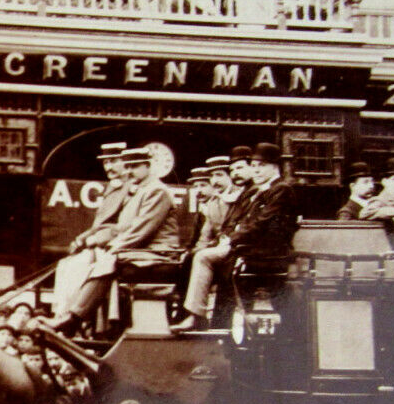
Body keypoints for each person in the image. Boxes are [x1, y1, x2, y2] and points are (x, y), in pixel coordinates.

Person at [48, 146, 182, 336]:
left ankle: (75, 317)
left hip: (159, 252)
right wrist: (98, 240)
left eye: (134, 166)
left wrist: (113, 248)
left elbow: (141, 231)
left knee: (107, 260)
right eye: (126, 166)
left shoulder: (157, 191)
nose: (128, 171)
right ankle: (79, 319)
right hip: (141, 250)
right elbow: (121, 228)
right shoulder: (139, 192)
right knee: (95, 260)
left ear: (148, 166)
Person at [173, 143, 297, 332]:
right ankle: (198, 316)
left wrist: (231, 240)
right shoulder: (259, 190)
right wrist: (227, 237)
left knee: (203, 257)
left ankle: (197, 317)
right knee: (202, 256)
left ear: (275, 166)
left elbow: (261, 224)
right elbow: (239, 220)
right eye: (254, 166)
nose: (256, 171)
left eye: (261, 166)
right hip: (250, 246)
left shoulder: (281, 189)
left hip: (267, 251)